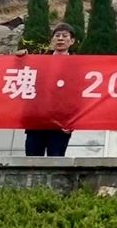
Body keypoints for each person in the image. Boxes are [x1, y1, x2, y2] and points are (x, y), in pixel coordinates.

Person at [22, 23, 76, 157]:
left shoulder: (78, 65)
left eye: (65, 36)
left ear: (72, 41)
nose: (60, 39)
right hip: (36, 121)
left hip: (61, 123)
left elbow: (79, 96)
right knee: (31, 161)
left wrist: (73, 121)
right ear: (52, 40)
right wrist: (19, 59)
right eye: (57, 36)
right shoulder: (38, 61)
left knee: (56, 161)